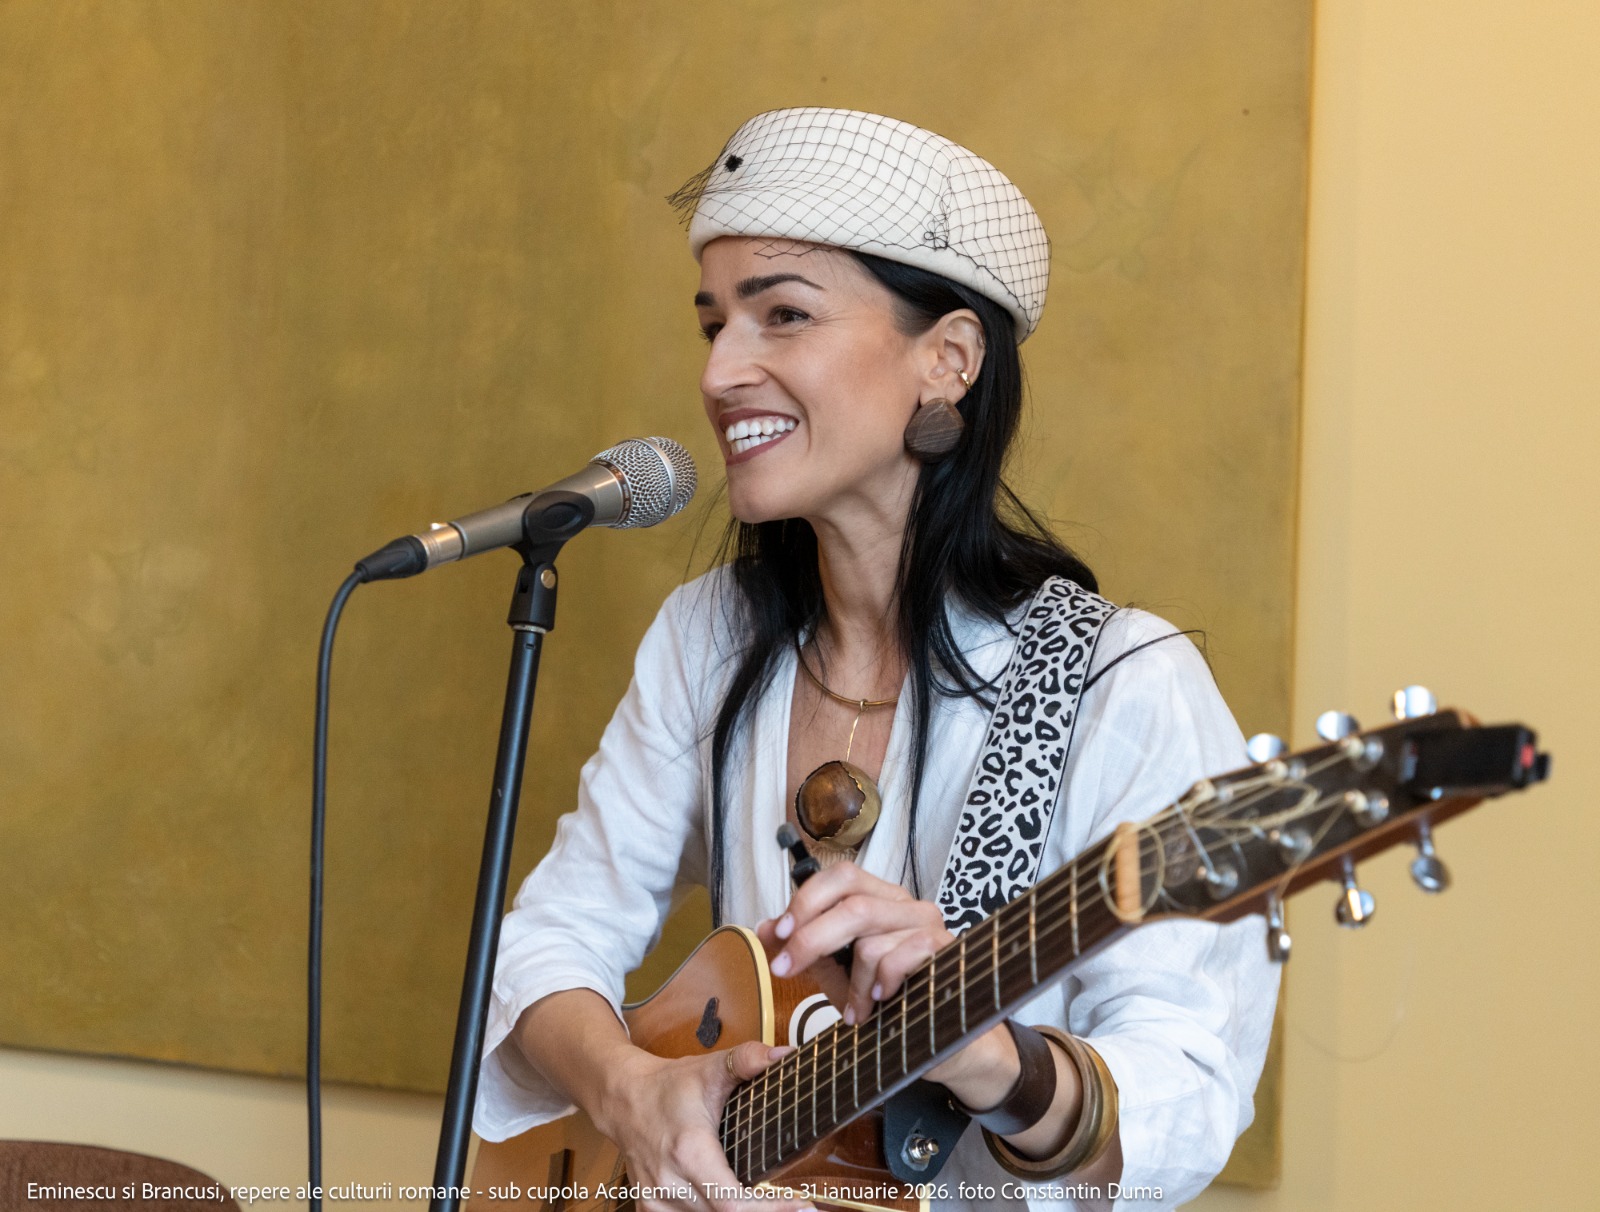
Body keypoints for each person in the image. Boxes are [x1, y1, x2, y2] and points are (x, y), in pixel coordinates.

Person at [472, 108, 1280, 1211]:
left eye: (783, 315)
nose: (721, 371)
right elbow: (552, 934)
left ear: (946, 360)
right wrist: (632, 1094)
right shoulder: (710, 636)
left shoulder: (1121, 685)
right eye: (713, 324)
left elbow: (1188, 1093)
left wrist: (990, 1058)